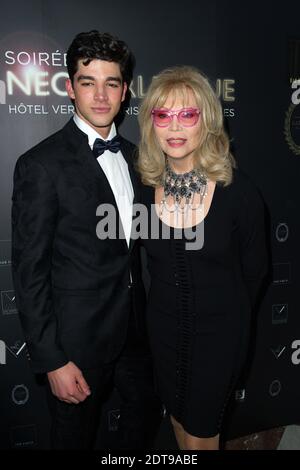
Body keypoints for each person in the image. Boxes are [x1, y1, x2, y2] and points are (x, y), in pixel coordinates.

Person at [11, 30, 160, 450]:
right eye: (87, 82)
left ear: (124, 90)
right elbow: (29, 272)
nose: (100, 95)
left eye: (111, 83)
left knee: (141, 428)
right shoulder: (40, 165)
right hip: (76, 344)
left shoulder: (138, 157)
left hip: (136, 335)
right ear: (69, 87)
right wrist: (53, 359)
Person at [137, 65, 268, 450]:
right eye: (163, 115)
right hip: (162, 339)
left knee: (200, 440)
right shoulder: (144, 190)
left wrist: (230, 328)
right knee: (178, 427)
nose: (174, 127)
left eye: (187, 114)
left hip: (218, 342)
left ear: (206, 121)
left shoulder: (238, 193)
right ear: (151, 124)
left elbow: (255, 274)